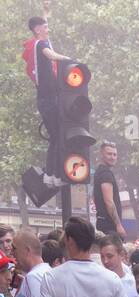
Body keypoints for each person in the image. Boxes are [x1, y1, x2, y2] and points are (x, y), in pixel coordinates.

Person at [26, 16, 70, 186]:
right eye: (45, 27)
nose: (48, 29)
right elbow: (51, 55)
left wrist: (46, 8)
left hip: (49, 99)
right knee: (57, 136)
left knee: (55, 137)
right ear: (37, 30)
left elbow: (46, 18)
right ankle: (55, 174)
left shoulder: (43, 42)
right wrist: (67, 58)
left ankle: (51, 175)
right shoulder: (41, 45)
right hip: (48, 100)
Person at [93, 141, 125, 237]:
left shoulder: (99, 171)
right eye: (109, 154)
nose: (112, 157)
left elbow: (95, 198)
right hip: (109, 226)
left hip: (102, 221)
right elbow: (109, 201)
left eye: (115, 154)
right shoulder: (106, 174)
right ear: (102, 155)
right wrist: (118, 225)